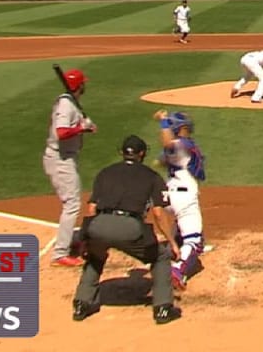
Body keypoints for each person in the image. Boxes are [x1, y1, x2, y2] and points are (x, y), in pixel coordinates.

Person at [71, 135, 182, 325]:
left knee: (95, 255)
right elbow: (158, 213)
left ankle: (82, 304)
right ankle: (163, 308)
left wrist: (86, 240)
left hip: (98, 225)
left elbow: (91, 209)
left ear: (122, 153)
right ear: (142, 154)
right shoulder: (151, 176)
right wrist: (172, 243)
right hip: (129, 227)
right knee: (161, 256)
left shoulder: (105, 172)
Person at [41, 68, 96, 267]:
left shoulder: (69, 101)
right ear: (79, 85)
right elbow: (62, 132)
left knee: (72, 202)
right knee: (72, 204)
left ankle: (66, 243)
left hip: (65, 157)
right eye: (83, 83)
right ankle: (60, 253)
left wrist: (85, 127)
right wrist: (82, 127)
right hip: (60, 159)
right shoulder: (66, 105)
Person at [153, 110, 206, 291]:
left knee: (181, 229)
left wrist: (170, 159)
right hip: (184, 197)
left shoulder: (177, 148)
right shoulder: (181, 144)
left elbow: (159, 161)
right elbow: (168, 144)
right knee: (196, 241)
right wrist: (163, 122)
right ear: (180, 128)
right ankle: (177, 270)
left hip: (170, 196)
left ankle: (170, 253)